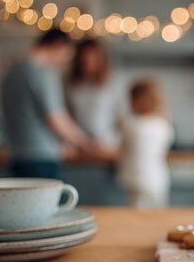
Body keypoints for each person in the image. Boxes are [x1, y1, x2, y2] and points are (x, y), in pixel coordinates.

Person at [0, 29, 94, 179]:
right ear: (57, 46)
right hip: (41, 158)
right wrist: (85, 142)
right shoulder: (43, 73)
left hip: (16, 155)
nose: (64, 62)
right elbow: (55, 118)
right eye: (65, 56)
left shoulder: (11, 72)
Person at [118, 79, 174, 208]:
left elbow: (122, 147)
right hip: (158, 179)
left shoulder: (129, 124)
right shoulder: (164, 123)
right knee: (157, 214)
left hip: (136, 178)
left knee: (138, 216)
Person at [67, 39, 123, 150]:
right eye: (84, 60)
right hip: (77, 145)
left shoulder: (113, 83)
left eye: (92, 60)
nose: (88, 64)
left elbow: (121, 117)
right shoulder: (69, 84)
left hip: (107, 144)